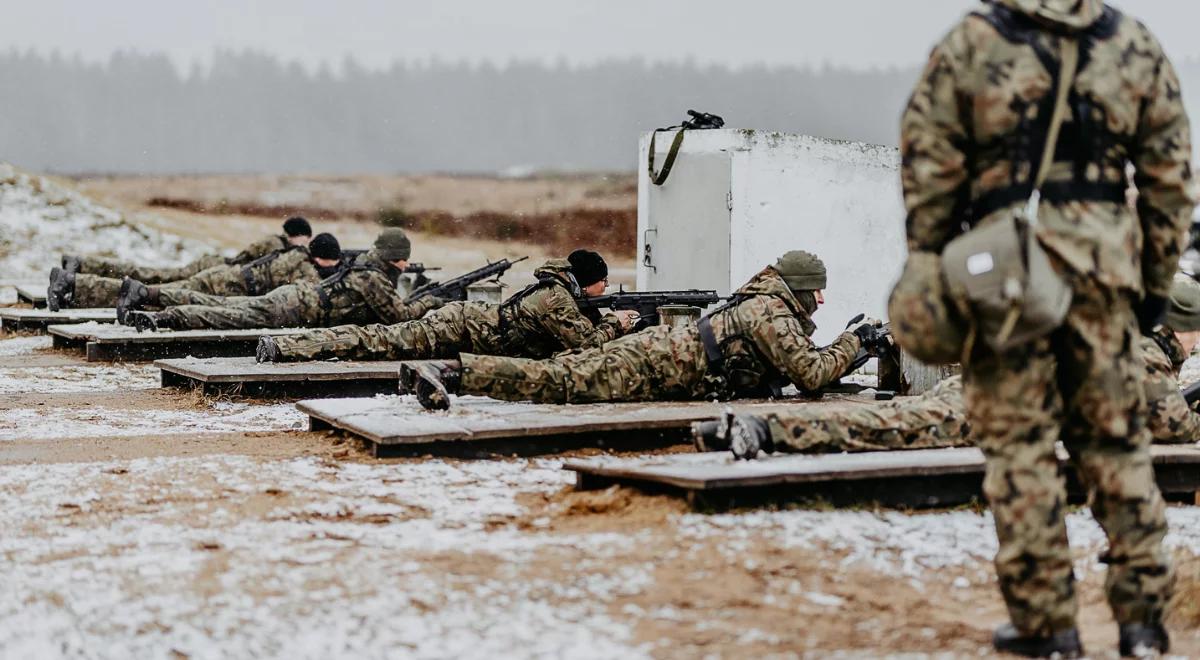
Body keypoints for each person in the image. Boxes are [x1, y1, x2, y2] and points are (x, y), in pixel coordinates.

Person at [900, 1, 1193, 655]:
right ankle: (1142, 619)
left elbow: (929, 162)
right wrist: (1151, 283)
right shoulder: (1134, 44)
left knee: (1021, 448)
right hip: (1103, 269)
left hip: (1005, 271)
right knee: (1116, 443)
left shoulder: (973, 41)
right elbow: (1169, 178)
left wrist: (937, 257)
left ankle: (1047, 624)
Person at [697, 275, 1200, 457]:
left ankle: (756, 429)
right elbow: (1175, 428)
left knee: (883, 424)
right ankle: (762, 432)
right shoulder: (1145, 356)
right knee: (879, 428)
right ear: (1180, 326)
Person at [404, 250, 881, 411]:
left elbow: (802, 364)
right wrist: (855, 342)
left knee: (559, 372)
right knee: (558, 381)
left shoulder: (766, 306)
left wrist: (852, 347)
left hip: (663, 354)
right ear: (798, 289)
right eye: (817, 292)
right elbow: (811, 374)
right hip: (657, 364)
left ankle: (450, 372)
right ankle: (449, 372)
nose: (821, 300)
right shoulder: (769, 312)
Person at [255, 249, 637, 363]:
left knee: (376, 339)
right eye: (603, 281)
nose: (606, 287)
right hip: (457, 328)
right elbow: (584, 347)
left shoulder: (560, 293)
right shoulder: (556, 298)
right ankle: (288, 347)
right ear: (588, 279)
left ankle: (292, 345)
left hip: (465, 328)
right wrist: (616, 324)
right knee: (375, 341)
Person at [123, 228, 443, 331]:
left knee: (224, 305)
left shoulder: (365, 267)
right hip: (292, 309)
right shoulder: (374, 278)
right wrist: (428, 300)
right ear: (393, 258)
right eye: (403, 259)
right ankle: (161, 318)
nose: (406, 264)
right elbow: (398, 317)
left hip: (293, 297)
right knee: (226, 313)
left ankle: (150, 297)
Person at [48, 233, 342, 317]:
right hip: (223, 285)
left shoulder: (287, 254)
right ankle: (74, 282)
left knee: (149, 286)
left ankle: (75, 284)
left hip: (222, 276)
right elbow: (316, 296)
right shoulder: (301, 264)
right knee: (146, 290)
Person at [55, 216, 314, 288]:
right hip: (213, 269)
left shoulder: (274, 242)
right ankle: (79, 273)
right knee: (152, 278)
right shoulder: (276, 246)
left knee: (150, 276)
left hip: (212, 266)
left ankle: (80, 267)